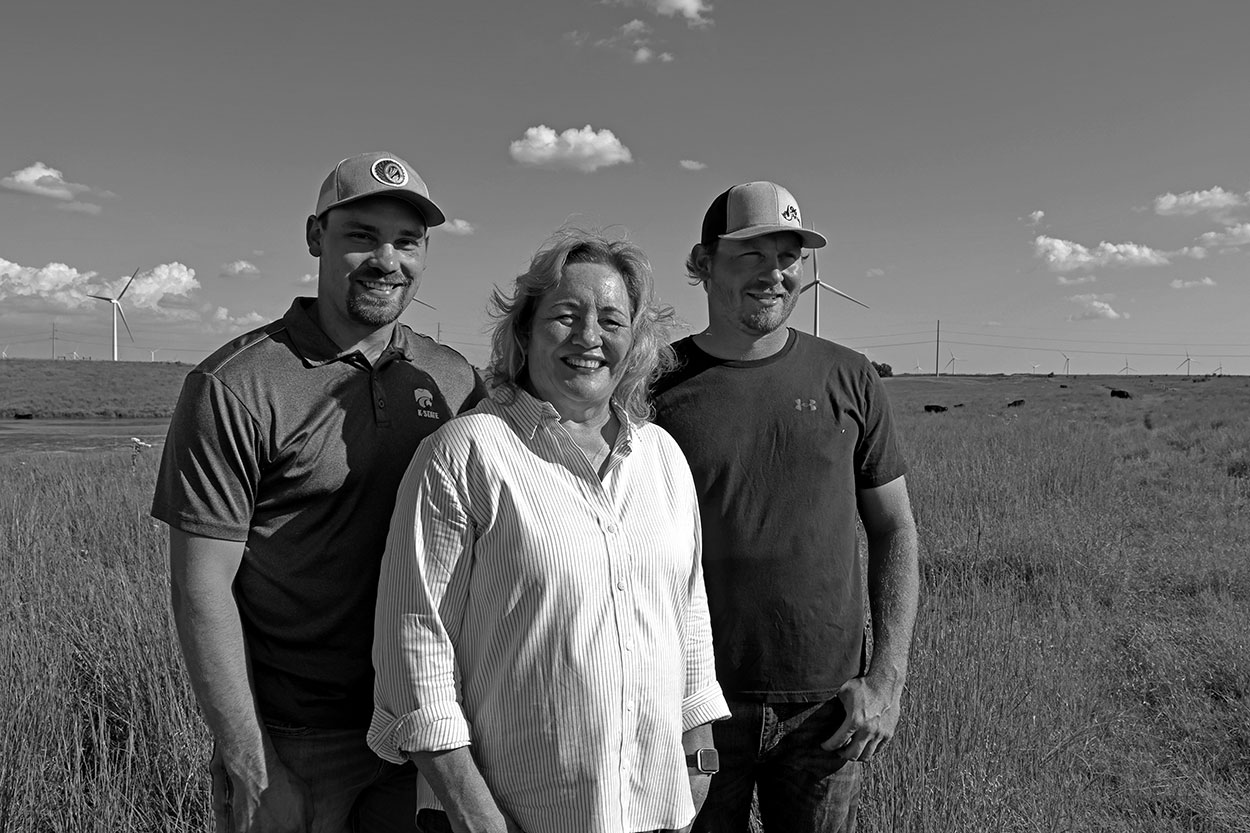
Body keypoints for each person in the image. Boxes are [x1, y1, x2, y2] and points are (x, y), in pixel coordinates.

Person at [152, 151, 486, 833]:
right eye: (361, 235)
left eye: (407, 241)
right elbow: (201, 588)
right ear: (315, 238)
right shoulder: (237, 385)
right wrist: (250, 758)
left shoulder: (453, 380)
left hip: (425, 724)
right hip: (300, 740)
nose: (386, 260)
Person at [369, 229, 730, 833]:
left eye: (612, 320)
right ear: (523, 332)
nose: (590, 337)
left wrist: (698, 762)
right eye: (566, 315)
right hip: (508, 815)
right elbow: (416, 648)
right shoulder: (467, 453)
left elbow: (688, 617)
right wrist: (473, 812)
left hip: (654, 808)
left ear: (635, 343)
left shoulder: (662, 458)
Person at [651, 182, 920, 833]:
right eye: (750, 255)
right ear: (703, 262)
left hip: (824, 710)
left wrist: (887, 677)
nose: (774, 273)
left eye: (789, 256)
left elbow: (895, 528)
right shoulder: (654, 383)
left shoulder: (850, 377)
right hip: (690, 703)